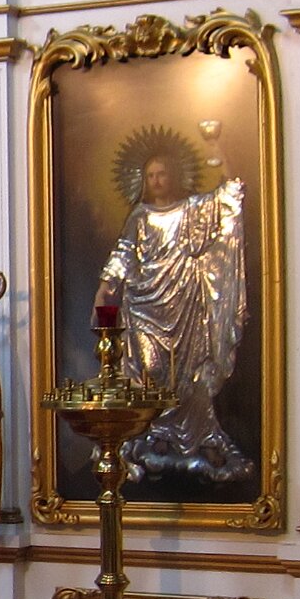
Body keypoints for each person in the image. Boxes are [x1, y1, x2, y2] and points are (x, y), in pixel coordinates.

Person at [94, 119, 251, 484]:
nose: (157, 180)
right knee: (150, 373)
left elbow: (230, 194)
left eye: (162, 174)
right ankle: (153, 436)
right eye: (151, 175)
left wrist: (215, 147)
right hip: (144, 307)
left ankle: (193, 440)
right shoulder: (139, 216)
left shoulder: (193, 210)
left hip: (185, 306)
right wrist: (104, 287)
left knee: (189, 376)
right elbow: (123, 254)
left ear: (175, 175)